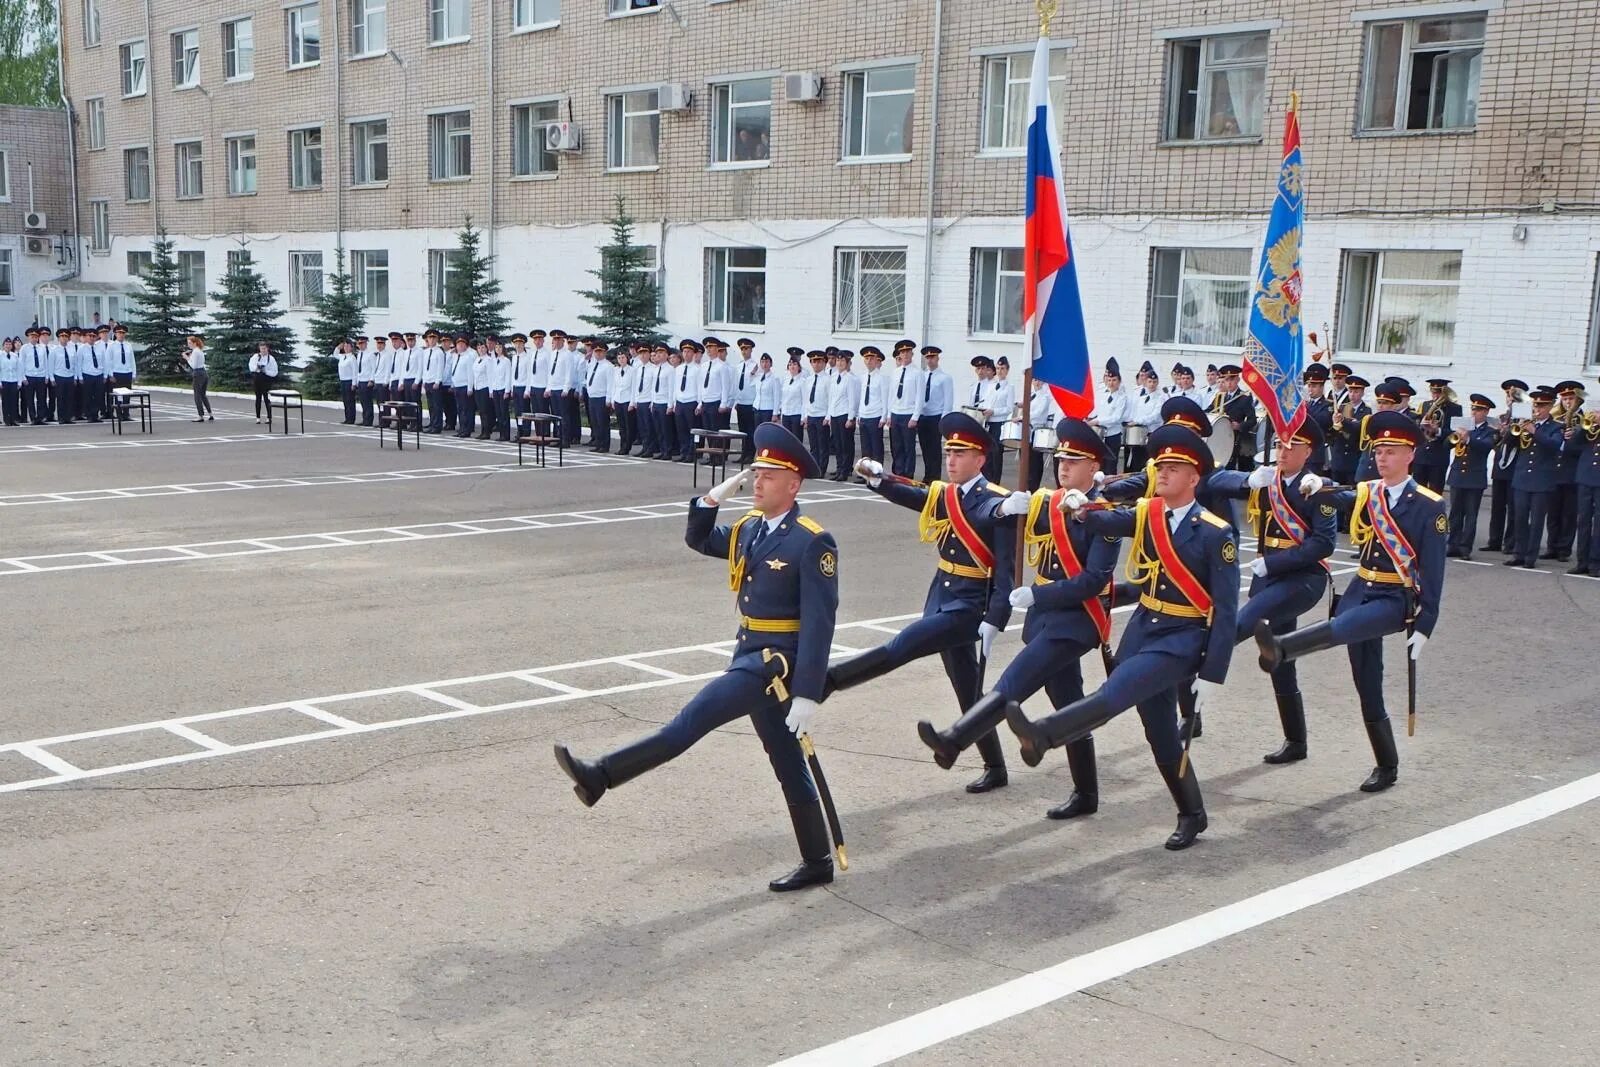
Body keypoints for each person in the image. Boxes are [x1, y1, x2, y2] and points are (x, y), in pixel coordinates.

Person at [554, 423, 842, 892]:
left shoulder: (811, 540)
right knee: (788, 761)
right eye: (756, 472)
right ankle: (818, 861)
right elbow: (700, 539)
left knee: (688, 723)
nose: (757, 481)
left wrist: (808, 692)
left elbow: (820, 623)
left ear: (794, 485)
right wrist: (713, 498)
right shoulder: (751, 528)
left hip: (772, 664)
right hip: (747, 650)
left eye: (768, 474)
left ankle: (602, 775)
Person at [1004, 423, 1239, 850]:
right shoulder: (1149, 514)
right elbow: (1109, 517)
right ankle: (1193, 812)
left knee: (1114, 693)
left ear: (1194, 477)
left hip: (1181, 639)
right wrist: (1080, 507)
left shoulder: (1215, 532)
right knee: (1159, 728)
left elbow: (1225, 610)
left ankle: (1043, 733)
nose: (1162, 472)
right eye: (1161, 465)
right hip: (1145, 629)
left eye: (1173, 467)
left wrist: (1212, 671)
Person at [917, 418, 1116, 818]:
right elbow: (988, 513)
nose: (1063, 467)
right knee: (1068, 703)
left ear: (1094, 468)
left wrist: (1037, 593)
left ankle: (954, 740)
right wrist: (1008, 506)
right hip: (1045, 620)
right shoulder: (1046, 502)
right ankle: (1087, 794)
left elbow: (1095, 579)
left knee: (1014, 681)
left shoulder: (1105, 515)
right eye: (1060, 459)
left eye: (1074, 461)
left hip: (1076, 621)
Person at [822, 413, 1017, 793]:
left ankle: (829, 681)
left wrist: (996, 618)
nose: (951, 460)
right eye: (949, 452)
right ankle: (996, 767)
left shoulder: (1000, 503)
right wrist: (880, 479)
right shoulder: (946, 494)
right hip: (941, 594)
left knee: (904, 645)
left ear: (980, 458)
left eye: (960, 453)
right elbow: (914, 495)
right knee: (967, 689)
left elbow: (1007, 571)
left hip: (968, 605)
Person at [1254, 411, 1446, 792]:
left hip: (1395, 596)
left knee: (1343, 628)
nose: (1383, 458)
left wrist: (1426, 624)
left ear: (1410, 455)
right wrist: (1318, 485)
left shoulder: (1429, 504)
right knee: (1367, 680)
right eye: (1379, 451)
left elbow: (1435, 571)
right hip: (1362, 588)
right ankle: (1386, 763)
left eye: (1391, 451)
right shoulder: (1370, 491)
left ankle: (1282, 647)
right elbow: (1341, 495)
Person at [1208, 417, 1336, 764]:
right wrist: (1247, 478)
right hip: (1270, 577)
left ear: (1308, 451)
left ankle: (1192, 703)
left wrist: (1274, 564)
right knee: (1280, 659)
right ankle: (1296, 741)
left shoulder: (1317, 486)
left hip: (1301, 579)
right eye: (1279, 444)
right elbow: (1213, 481)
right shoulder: (1268, 480)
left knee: (1237, 626)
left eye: (1291, 445)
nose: (1282, 451)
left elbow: (1323, 544)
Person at [1504, 387, 1564, 569]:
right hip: (1522, 479)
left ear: (1550, 406)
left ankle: (1530, 557)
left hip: (1542, 481)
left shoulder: (1557, 426)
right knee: (1520, 518)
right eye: (1535, 405)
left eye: (1541, 406)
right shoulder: (1525, 423)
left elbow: (1554, 445)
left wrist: (1534, 431)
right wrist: (1513, 427)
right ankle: (1518, 554)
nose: (1537, 409)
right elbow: (1508, 442)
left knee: (1537, 521)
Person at [1445, 394, 1497, 559]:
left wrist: (1468, 439)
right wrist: (1455, 436)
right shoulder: (1463, 426)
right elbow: (1446, 444)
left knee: (1471, 515)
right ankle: (1452, 545)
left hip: (1475, 478)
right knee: (1455, 514)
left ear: (1486, 412)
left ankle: (1465, 548)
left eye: (1479, 410)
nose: (1474, 412)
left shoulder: (1489, 431)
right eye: (1473, 409)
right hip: (1458, 475)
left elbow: (1487, 446)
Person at [1483, 379, 1528, 553]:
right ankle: (1494, 540)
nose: (1509, 399)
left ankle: (1510, 543)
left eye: (1513, 395)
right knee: (1497, 506)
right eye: (1508, 395)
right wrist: (1499, 432)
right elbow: (1495, 444)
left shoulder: (1524, 418)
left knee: (1514, 507)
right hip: (1500, 465)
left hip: (1515, 465)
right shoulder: (1503, 418)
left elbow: (1519, 440)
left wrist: (1509, 432)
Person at [1546, 381, 1586, 561]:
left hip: (1572, 472)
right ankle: (1551, 547)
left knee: (1569, 514)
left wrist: (1572, 440)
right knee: (1553, 512)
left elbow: (1587, 449)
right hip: (1554, 471)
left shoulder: (1585, 421)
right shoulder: (1555, 420)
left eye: (1571, 399)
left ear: (1578, 400)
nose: (1568, 403)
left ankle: (1564, 549)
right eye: (1565, 399)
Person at [1571, 376, 1600, 577]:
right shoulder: (1592, 411)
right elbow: (1573, 446)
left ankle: (1595, 562)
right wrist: (1585, 426)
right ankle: (1582, 560)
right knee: (1583, 520)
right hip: (1585, 476)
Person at [1210, 364, 1258, 471]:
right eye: (1226, 380)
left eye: (1232, 379)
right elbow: (1209, 412)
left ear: (1238, 379)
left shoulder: (1244, 398)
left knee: (1229, 468)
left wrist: (1239, 426)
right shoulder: (1220, 397)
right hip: (1218, 438)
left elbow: (1252, 420)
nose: (1229, 382)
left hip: (1233, 439)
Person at [915, 346, 953, 483]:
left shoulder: (945, 378)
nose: (930, 360)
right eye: (927, 358)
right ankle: (927, 474)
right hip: (923, 415)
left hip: (936, 416)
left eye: (932, 357)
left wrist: (944, 420)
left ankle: (935, 476)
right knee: (924, 447)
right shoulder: (921, 376)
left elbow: (948, 401)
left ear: (937, 358)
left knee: (934, 448)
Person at [887, 340, 922, 479]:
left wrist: (915, 416)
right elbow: (891, 394)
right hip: (896, 412)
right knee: (897, 446)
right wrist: (889, 414)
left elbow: (919, 396)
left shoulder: (917, 373)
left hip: (908, 413)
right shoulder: (895, 372)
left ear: (912, 354)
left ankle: (908, 474)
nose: (905, 354)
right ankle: (898, 472)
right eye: (902, 352)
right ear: (899, 355)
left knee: (908, 447)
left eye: (907, 352)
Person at [1088, 358, 1131, 472]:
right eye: (1109, 380)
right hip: (1099, 434)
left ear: (1119, 381)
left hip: (1113, 435)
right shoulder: (1101, 394)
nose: (1111, 383)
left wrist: (1097, 421)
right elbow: (1095, 411)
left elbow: (1116, 417)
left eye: (1114, 380)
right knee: (1098, 465)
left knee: (1110, 467)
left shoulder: (1122, 397)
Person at [825, 349, 860, 482]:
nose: (839, 363)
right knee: (837, 445)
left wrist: (851, 417)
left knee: (846, 445)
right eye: (838, 360)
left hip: (845, 414)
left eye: (842, 360)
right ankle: (839, 468)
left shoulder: (850, 379)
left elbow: (852, 399)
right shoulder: (833, 377)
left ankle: (845, 470)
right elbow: (831, 398)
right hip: (835, 413)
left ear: (847, 363)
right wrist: (828, 416)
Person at [856, 345, 887, 476]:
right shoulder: (862, 377)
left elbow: (884, 398)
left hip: (875, 415)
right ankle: (866, 473)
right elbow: (861, 397)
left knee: (876, 447)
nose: (869, 361)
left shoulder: (881, 378)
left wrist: (884, 416)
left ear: (876, 360)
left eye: (872, 358)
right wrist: (858, 414)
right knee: (865, 448)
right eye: (866, 358)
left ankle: (877, 473)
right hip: (864, 415)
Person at [106, 324, 137, 421]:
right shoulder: (111, 346)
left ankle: (126, 413)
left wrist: (134, 373)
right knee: (118, 395)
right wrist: (110, 374)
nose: (121, 335)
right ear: (115, 334)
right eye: (119, 333)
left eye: (123, 333)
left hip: (127, 372)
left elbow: (132, 360)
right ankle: (119, 413)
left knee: (127, 395)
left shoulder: (128, 345)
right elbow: (108, 361)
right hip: (117, 373)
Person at [249, 343, 280, 426]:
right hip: (257, 379)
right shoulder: (255, 357)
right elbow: (251, 367)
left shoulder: (271, 358)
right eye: (261, 349)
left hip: (266, 380)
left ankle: (269, 417)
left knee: (266, 398)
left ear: (267, 349)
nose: (263, 350)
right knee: (258, 398)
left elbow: (275, 372)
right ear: (259, 349)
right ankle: (258, 418)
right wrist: (257, 368)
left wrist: (266, 371)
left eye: (264, 349)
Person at [184, 335, 213, 421]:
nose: (188, 345)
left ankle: (200, 416)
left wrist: (187, 358)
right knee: (203, 395)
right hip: (203, 373)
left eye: (190, 343)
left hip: (198, 374)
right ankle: (210, 414)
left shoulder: (195, 352)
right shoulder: (199, 351)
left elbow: (194, 365)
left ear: (195, 343)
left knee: (197, 395)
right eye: (188, 343)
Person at [336, 341, 358, 425]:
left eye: (348, 346)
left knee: (350, 401)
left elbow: (354, 371)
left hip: (349, 381)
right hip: (343, 381)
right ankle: (347, 418)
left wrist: (354, 383)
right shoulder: (342, 357)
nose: (346, 348)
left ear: (351, 348)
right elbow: (335, 354)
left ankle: (351, 419)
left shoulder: (352, 358)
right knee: (345, 401)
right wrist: (338, 347)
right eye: (345, 346)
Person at [0, 338, 20, 426]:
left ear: (11, 346)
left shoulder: (15, 355)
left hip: (13, 380)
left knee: (14, 401)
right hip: (4, 380)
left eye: (9, 344)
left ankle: (13, 419)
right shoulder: (0, 355)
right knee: (5, 401)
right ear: (3, 346)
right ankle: (7, 420)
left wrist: (19, 382)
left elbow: (19, 369)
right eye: (6, 344)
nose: (8, 346)